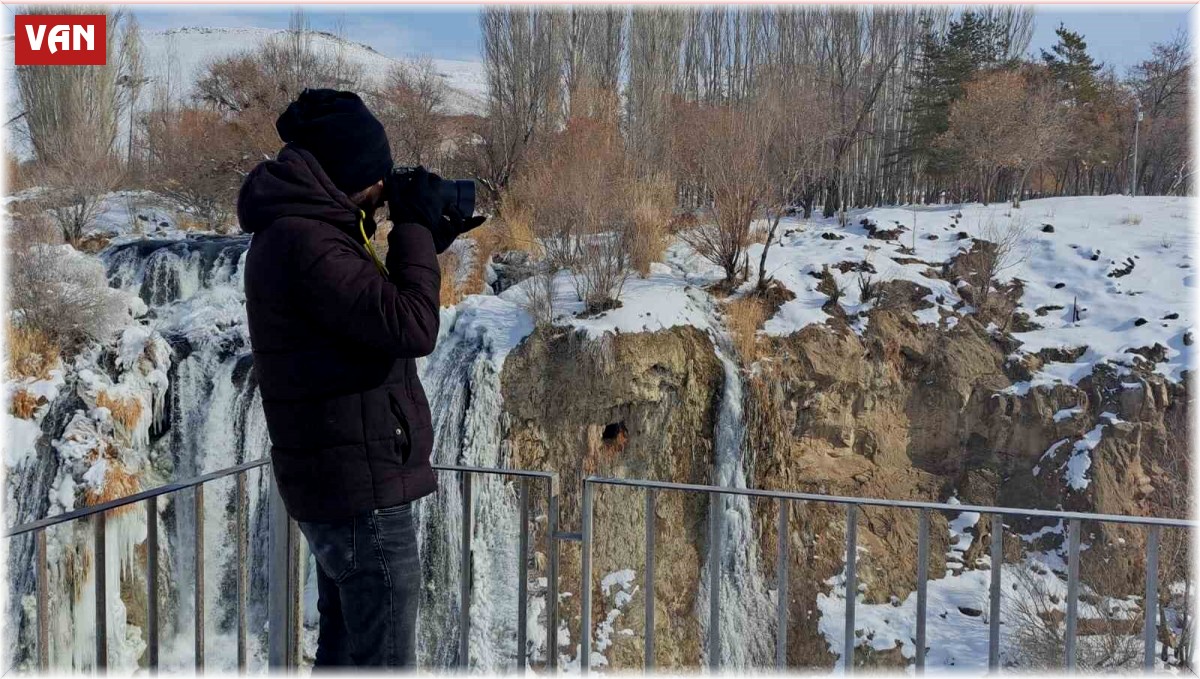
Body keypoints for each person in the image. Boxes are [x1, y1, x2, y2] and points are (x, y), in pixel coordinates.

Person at [236, 88, 482, 668]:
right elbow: (413, 326)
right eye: (375, 183)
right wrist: (414, 230)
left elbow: (371, 308)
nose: (380, 194)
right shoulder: (309, 243)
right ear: (347, 174)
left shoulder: (307, 233)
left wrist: (423, 239)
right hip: (358, 493)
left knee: (346, 654)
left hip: (341, 483)